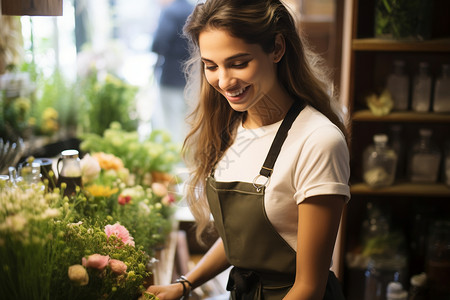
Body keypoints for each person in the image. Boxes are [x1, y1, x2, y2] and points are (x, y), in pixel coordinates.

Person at [146, 0, 350, 299]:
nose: (224, 81)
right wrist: (184, 285)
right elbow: (242, 240)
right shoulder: (229, 129)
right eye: (211, 66)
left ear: (277, 48)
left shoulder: (318, 141)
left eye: (239, 63)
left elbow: (309, 287)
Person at [151, 0, 194, 144]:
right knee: (190, 122)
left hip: (171, 76)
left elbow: (158, 43)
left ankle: (175, 160)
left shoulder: (170, 12)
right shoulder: (194, 10)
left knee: (171, 123)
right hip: (193, 77)